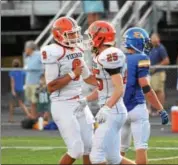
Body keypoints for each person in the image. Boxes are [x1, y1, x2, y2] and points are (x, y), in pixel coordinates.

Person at [74, 21, 135, 164]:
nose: (88, 40)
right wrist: (86, 99)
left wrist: (107, 107)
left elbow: (119, 88)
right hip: (113, 109)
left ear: (99, 37)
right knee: (114, 158)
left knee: (96, 157)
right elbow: (102, 87)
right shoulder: (102, 56)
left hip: (113, 110)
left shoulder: (109, 55)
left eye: (91, 36)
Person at [41, 16, 97, 165]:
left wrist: (107, 82)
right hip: (62, 103)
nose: (75, 37)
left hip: (79, 101)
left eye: (75, 33)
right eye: (71, 34)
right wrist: (72, 74)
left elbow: (87, 77)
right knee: (76, 149)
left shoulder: (77, 49)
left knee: (90, 146)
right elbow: (51, 87)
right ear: (59, 35)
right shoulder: (53, 52)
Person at [120, 27, 169, 164]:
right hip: (136, 107)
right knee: (141, 148)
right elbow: (146, 87)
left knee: (118, 153)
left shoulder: (118, 58)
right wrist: (160, 109)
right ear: (138, 43)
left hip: (121, 108)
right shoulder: (142, 58)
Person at [149, 33, 170, 115]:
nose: (155, 42)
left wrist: (156, 66)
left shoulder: (161, 48)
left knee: (159, 91)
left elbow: (166, 60)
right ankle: (153, 108)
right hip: (151, 73)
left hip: (159, 73)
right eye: (153, 41)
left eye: (156, 40)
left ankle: (160, 110)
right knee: (151, 91)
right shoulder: (150, 47)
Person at [24, 41, 43, 119]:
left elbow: (44, 66)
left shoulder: (38, 55)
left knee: (35, 101)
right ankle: (33, 117)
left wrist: (42, 79)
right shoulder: (28, 57)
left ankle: (35, 117)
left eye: (26, 48)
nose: (25, 50)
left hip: (36, 83)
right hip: (28, 82)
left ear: (30, 48)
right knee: (31, 102)